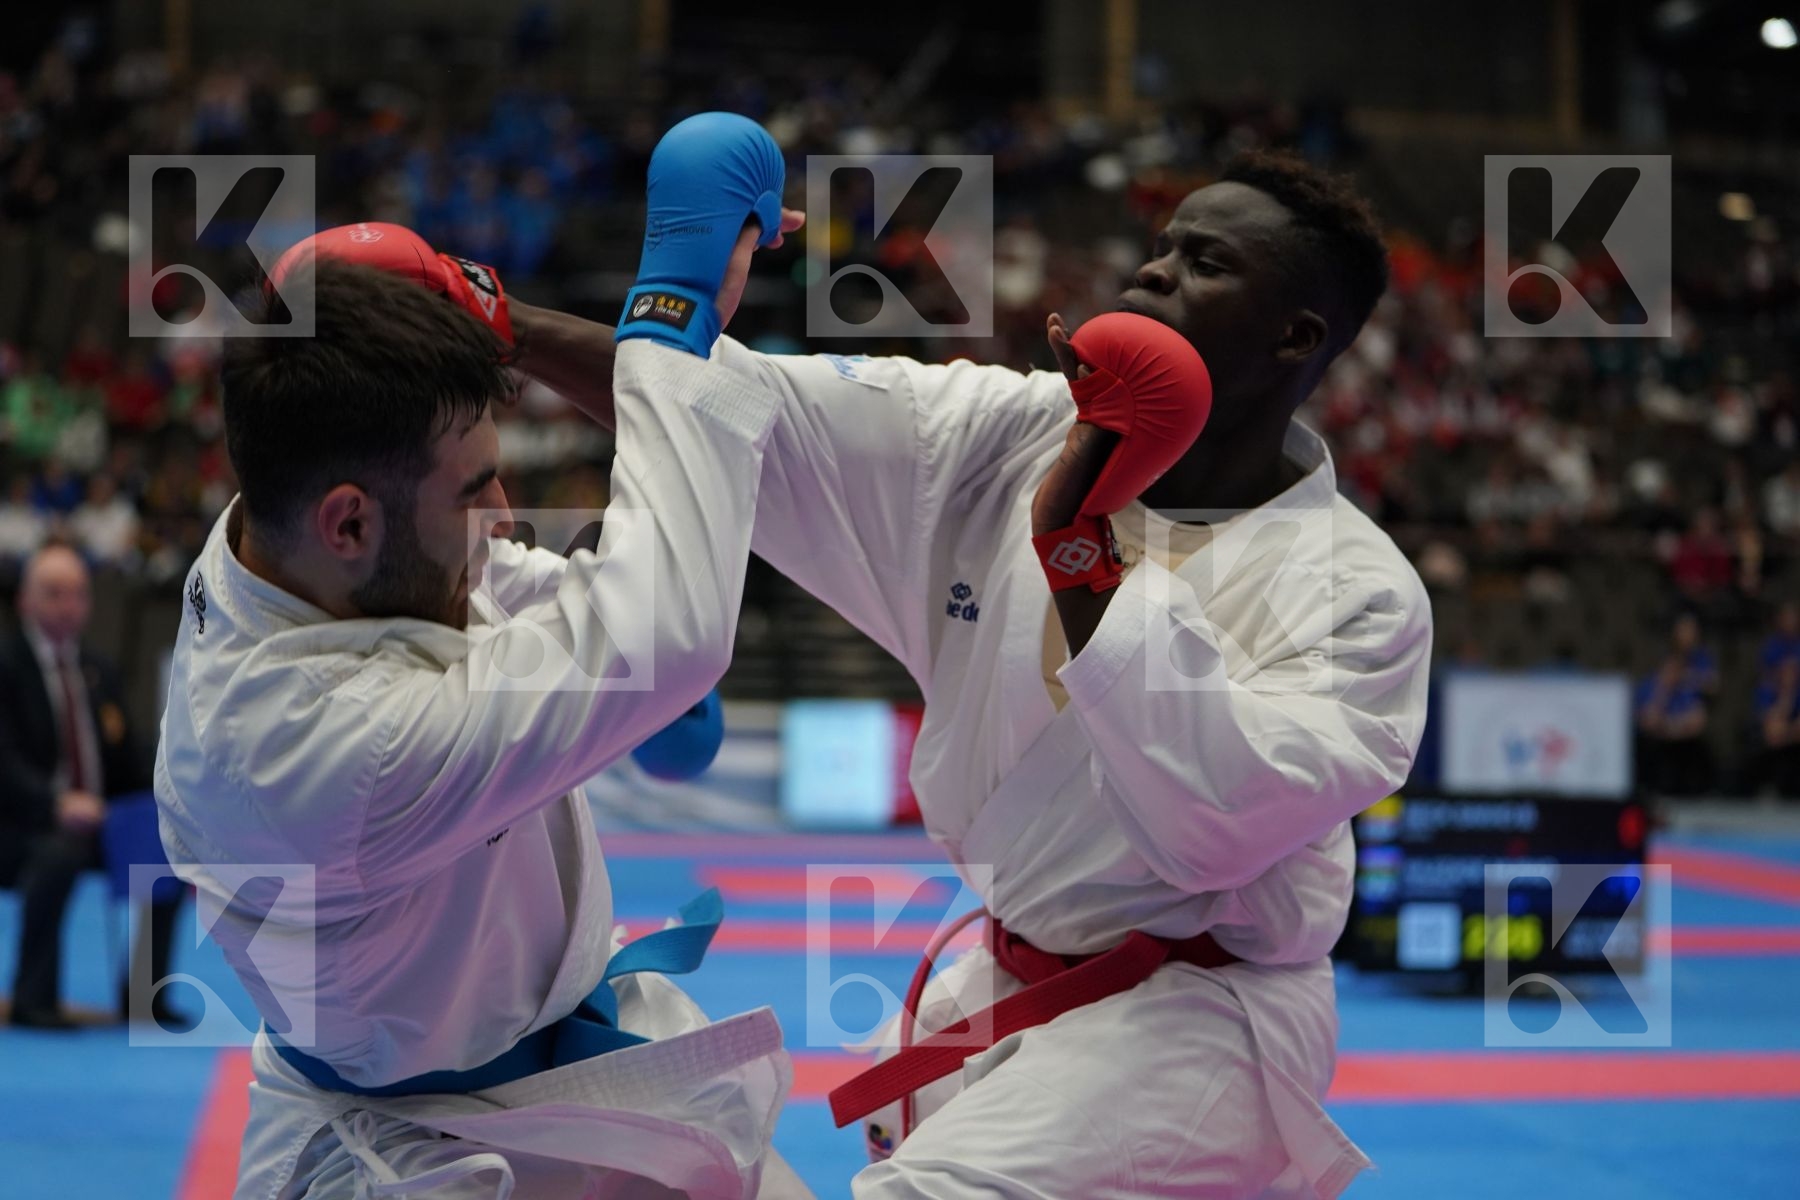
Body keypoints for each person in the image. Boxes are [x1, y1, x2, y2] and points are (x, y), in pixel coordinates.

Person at [383, 141, 1429, 1197]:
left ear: (1297, 338)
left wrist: (1079, 540)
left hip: (1194, 1022)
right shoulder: (1014, 431)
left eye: (1206, 264)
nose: (1153, 273)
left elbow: (1211, 820)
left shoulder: (1358, 596)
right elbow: (734, 417)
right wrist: (482, 317)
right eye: (1161, 249)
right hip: (1005, 971)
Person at [155, 115, 812, 1199]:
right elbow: (673, 639)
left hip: (542, 1082)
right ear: (352, 524)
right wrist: (679, 303)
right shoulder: (327, 753)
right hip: (429, 1154)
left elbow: (485, 576)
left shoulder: (280, 534)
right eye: (476, 489)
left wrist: (492, 322)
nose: (506, 513)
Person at [0, 542, 182, 1029]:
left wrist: (169, 791)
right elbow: (4, 762)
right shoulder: (7, 666)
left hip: (96, 821)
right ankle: (33, 999)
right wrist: (55, 803)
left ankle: (145, 997)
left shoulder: (99, 670)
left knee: (165, 849)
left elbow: (128, 758)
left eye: (78, 594)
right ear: (25, 600)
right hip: (21, 823)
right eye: (54, 593)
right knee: (57, 855)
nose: (68, 605)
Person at [1633, 613, 1718, 796]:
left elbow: (1698, 716)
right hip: (1658, 731)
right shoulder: (1652, 682)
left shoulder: (1690, 681)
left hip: (1681, 732)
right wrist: (1663, 689)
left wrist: (1674, 727)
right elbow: (1648, 718)